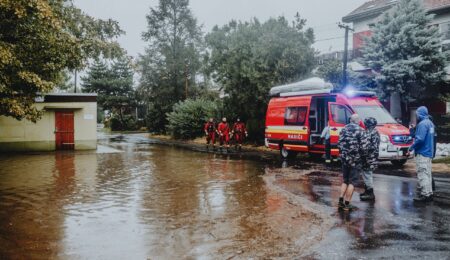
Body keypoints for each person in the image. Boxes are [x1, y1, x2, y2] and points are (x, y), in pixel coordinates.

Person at [338, 114, 364, 211]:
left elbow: (339, 143)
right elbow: (364, 147)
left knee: (345, 180)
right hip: (355, 160)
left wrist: (343, 154)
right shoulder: (360, 130)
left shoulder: (343, 129)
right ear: (358, 120)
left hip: (344, 158)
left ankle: (340, 201)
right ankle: (347, 203)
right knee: (352, 182)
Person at [409, 106, 435, 203]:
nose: (417, 116)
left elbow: (419, 139)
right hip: (428, 153)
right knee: (427, 174)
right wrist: (413, 131)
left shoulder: (422, 124)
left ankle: (424, 195)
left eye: (417, 114)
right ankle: (429, 193)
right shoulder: (430, 123)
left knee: (422, 174)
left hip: (422, 152)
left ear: (420, 114)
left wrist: (411, 147)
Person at [360, 117, 380, 201]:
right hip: (368, 156)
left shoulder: (373, 132)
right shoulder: (372, 131)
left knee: (367, 174)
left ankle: (370, 193)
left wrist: (364, 151)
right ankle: (367, 191)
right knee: (365, 173)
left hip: (369, 157)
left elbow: (372, 146)